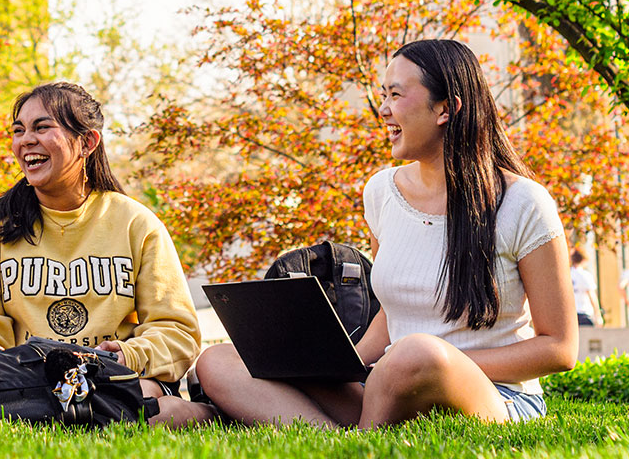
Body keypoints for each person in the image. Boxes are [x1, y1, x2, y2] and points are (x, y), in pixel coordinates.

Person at [193, 39, 574, 428]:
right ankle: (334, 441)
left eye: (396, 94)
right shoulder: (381, 192)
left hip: (497, 394)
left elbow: (560, 348)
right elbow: (390, 313)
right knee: (219, 362)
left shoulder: (523, 202)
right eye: (383, 94)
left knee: (416, 354)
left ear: (446, 108)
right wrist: (342, 364)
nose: (383, 109)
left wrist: (434, 364)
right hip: (392, 384)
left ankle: (362, 436)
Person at [0, 80, 213, 427]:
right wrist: (14, 372)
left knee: (138, 407)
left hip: (118, 379)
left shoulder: (135, 223)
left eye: (42, 127)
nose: (26, 140)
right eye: (18, 130)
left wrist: (128, 355)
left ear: (87, 142)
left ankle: (200, 411)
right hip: (23, 386)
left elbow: (176, 330)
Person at [569, 248, 603, 327]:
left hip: (570, 315)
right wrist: (598, 315)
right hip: (583, 313)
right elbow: (592, 296)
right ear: (584, 260)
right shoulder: (585, 275)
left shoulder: (567, 274)